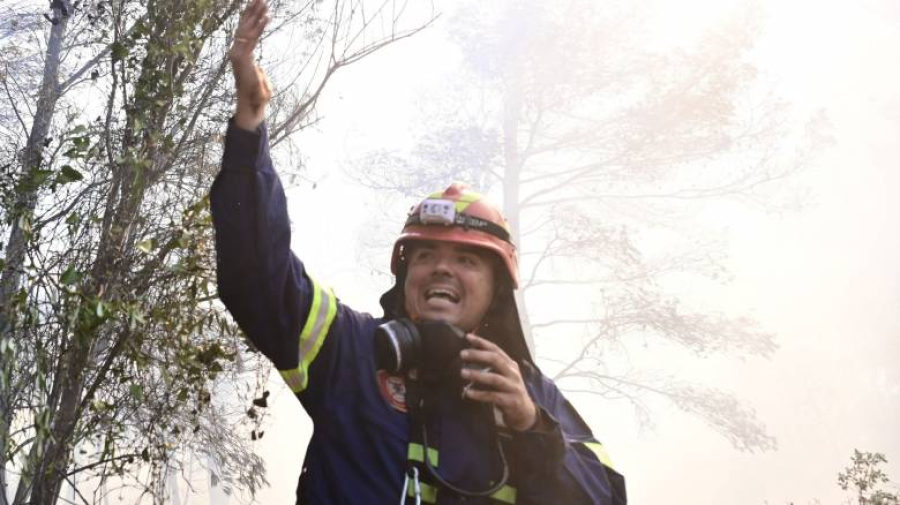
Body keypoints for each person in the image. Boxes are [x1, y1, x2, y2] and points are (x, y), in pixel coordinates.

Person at [211, 1, 627, 503]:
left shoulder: (530, 398)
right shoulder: (349, 353)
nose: (441, 268)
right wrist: (250, 124)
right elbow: (255, 276)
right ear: (404, 274)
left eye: (467, 259)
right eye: (425, 255)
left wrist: (532, 428)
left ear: (497, 290)